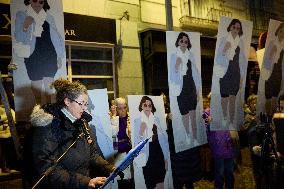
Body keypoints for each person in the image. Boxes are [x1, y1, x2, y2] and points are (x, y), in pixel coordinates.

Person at [23, 79, 115, 189]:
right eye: (81, 103)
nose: (85, 108)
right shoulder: (47, 126)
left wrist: (109, 167)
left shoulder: (82, 123)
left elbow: (92, 154)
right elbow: (48, 169)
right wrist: (85, 182)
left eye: (86, 104)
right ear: (67, 101)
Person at [14, 0, 65, 104]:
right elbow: (18, 37)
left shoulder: (49, 17)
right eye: (35, 1)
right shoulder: (22, 15)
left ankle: (49, 109)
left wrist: (59, 56)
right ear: (29, 1)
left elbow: (56, 38)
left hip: (49, 53)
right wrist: (25, 26)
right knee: (36, 82)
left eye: (41, 2)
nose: (38, 4)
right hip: (33, 54)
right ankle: (39, 108)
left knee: (49, 86)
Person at [169, 32, 201, 145]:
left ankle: (195, 137)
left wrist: (198, 90)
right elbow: (172, 77)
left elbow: (196, 74)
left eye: (186, 41)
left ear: (188, 44)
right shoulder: (174, 56)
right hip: (180, 88)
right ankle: (188, 135)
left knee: (193, 115)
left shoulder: (191, 56)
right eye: (181, 41)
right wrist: (177, 66)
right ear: (178, 42)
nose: (183, 43)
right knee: (185, 114)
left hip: (190, 86)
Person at [215, 19, 247, 128]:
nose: (235, 30)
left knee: (233, 98)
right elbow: (218, 59)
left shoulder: (240, 43)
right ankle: (224, 117)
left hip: (235, 73)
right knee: (224, 98)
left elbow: (242, 61)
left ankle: (231, 121)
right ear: (230, 27)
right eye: (234, 27)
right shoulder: (224, 40)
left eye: (238, 28)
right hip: (225, 72)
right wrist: (224, 50)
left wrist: (242, 77)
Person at [202, 95, 238, 189]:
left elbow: (233, 127)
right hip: (218, 148)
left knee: (229, 173)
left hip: (229, 146)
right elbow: (203, 131)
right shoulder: (207, 113)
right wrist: (209, 124)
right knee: (219, 174)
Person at [133, 96, 169, 189]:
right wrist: (141, 131)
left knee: (161, 183)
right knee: (150, 184)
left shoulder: (156, 119)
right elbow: (136, 142)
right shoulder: (137, 121)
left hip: (159, 154)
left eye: (150, 105)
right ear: (141, 106)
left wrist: (166, 158)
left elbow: (163, 140)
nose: (148, 107)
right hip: (147, 156)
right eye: (145, 105)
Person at [109, 97, 133, 188]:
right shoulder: (112, 120)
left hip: (132, 157)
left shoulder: (131, 117)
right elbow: (114, 144)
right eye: (120, 108)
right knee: (123, 182)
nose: (123, 110)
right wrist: (114, 118)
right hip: (119, 159)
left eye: (125, 107)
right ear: (115, 108)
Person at [262, 23, 284, 116]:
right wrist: (272, 54)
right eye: (281, 31)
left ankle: (273, 118)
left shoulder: (283, 46)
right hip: (269, 71)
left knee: (275, 96)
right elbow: (266, 61)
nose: (282, 34)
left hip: (278, 72)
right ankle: (267, 118)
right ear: (277, 31)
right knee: (268, 97)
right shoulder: (271, 43)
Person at [0, 103, 16, 174]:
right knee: (2, 152)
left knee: (9, 151)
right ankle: (4, 167)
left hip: (9, 134)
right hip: (1, 134)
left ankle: (10, 166)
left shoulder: (10, 109)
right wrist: (7, 117)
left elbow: (13, 118)